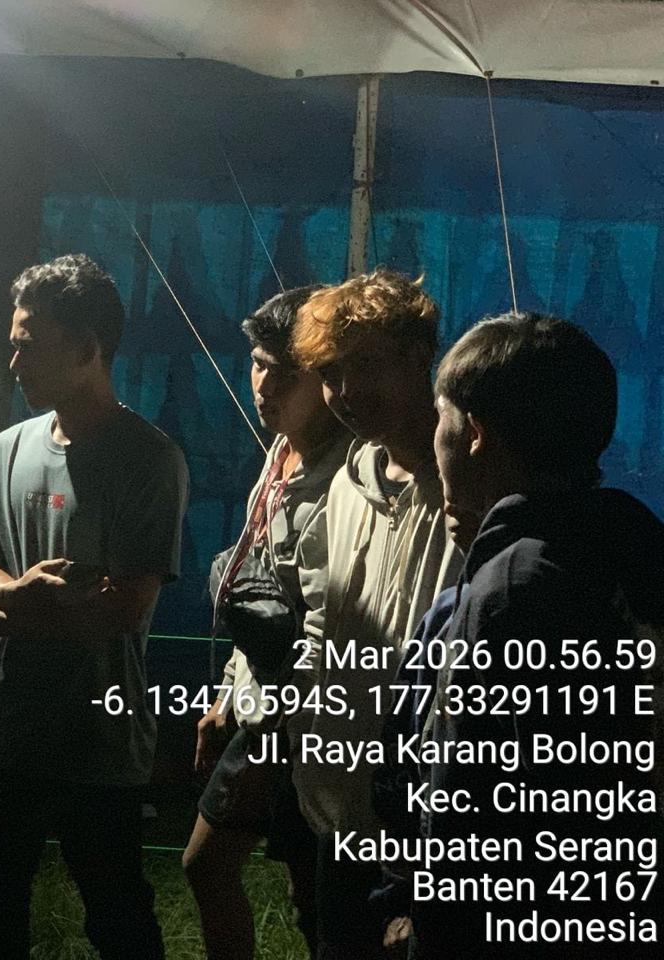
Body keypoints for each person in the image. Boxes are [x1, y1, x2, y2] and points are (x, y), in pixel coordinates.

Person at [0, 253, 189, 960]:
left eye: (29, 344)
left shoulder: (147, 459)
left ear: (87, 348)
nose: (13, 361)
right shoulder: (7, 448)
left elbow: (119, 612)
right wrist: (13, 593)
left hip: (98, 743)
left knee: (119, 920)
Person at [415, 313, 662, 959]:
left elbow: (465, 813)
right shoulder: (633, 547)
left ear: (474, 434)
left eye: (440, 420)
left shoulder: (510, 591)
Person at [287, 269, 463, 959]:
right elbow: (324, 621)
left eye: (364, 366)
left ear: (419, 358)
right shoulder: (347, 484)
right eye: (331, 374)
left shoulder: (470, 486)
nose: (345, 392)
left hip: (432, 820)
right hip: (342, 806)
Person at [182, 285, 350, 960]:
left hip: (306, 723)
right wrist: (227, 693)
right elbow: (256, 584)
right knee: (215, 867)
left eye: (287, 372)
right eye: (258, 364)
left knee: (312, 895)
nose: (265, 385)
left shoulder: (345, 478)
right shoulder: (281, 451)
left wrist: (274, 731)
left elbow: (324, 625)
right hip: (262, 704)